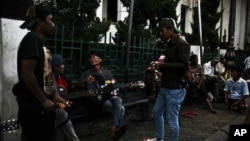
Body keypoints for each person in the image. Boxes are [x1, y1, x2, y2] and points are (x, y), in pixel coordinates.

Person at [12, 5, 69, 141]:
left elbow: (48, 73)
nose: (53, 24)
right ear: (40, 22)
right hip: (34, 109)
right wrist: (43, 100)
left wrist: (55, 95)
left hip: (44, 109)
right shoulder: (31, 40)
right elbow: (27, 74)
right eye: (50, 20)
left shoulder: (41, 43)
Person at [148, 17, 190, 141]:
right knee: (156, 112)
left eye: (162, 30)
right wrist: (156, 66)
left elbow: (184, 65)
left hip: (175, 88)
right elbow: (169, 63)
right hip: (165, 86)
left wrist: (163, 65)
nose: (160, 34)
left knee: (172, 119)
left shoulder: (182, 44)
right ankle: (159, 138)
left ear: (170, 29)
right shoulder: (170, 43)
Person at [74, 52, 127, 141]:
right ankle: (115, 131)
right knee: (121, 108)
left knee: (118, 103)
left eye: (95, 57)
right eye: (91, 58)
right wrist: (84, 80)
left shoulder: (106, 73)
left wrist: (112, 83)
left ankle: (114, 129)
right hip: (96, 101)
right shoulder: (87, 73)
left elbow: (112, 85)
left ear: (100, 60)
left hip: (107, 97)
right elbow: (75, 86)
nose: (92, 59)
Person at [51, 54, 80, 141]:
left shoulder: (63, 78)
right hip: (49, 109)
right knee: (62, 114)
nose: (64, 66)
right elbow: (54, 96)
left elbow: (70, 92)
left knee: (59, 125)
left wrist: (67, 102)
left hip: (59, 109)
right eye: (61, 64)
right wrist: (65, 102)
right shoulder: (48, 79)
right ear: (56, 67)